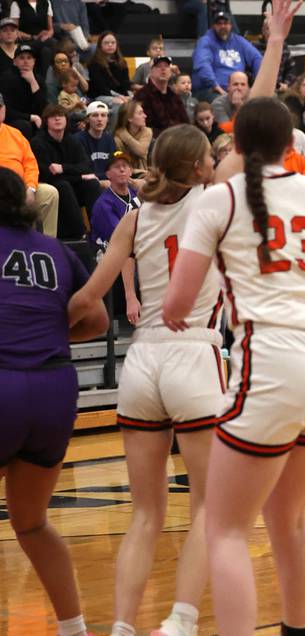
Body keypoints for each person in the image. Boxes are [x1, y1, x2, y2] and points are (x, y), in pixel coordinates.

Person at [163, 99, 305, 636]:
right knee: (287, 517)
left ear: (235, 146)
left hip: (272, 359)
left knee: (225, 527)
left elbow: (177, 303)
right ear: (293, 145)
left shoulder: (219, 200)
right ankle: (299, 630)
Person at [68, 124, 222, 636]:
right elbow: (250, 136)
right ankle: (180, 621)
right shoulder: (215, 203)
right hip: (194, 353)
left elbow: (88, 299)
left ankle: (121, 627)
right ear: (200, 167)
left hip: (141, 361)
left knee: (144, 515)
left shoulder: (133, 219)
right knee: (208, 504)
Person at [0, 165, 108, 636]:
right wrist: (44, 332)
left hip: (3, 383)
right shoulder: (58, 251)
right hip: (54, 391)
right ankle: (74, 629)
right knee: (31, 525)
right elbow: (99, 322)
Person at [31, 103, 100, 238]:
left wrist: (63, 168)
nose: (57, 119)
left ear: (66, 120)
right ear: (46, 121)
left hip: (69, 184)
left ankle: (98, 233)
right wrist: (79, 176)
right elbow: (47, 175)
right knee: (63, 185)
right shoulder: (37, 142)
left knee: (92, 183)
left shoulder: (72, 140)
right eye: (53, 116)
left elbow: (86, 166)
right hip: (50, 186)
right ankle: (81, 233)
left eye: (61, 116)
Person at [0, 92, 59, 235]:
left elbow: (30, 165)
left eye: (0, 107)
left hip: (22, 189)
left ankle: (45, 245)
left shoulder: (15, 134)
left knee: (50, 193)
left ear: (4, 109)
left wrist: (30, 188)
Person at [191, 11, 262, 102]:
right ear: (214, 26)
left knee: (264, 99)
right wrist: (216, 86)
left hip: (238, 89)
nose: (223, 26)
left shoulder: (239, 41)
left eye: (226, 23)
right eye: (219, 24)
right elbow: (203, 65)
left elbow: (257, 58)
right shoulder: (205, 41)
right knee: (224, 102)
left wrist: (258, 84)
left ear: (231, 25)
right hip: (212, 90)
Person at [88, 149, 139, 249]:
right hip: (108, 253)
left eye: (125, 166)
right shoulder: (103, 204)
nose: (122, 170)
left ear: (131, 171)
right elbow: (119, 236)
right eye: (117, 167)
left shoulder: (136, 195)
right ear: (108, 174)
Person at [134, 55, 190, 137]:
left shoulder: (174, 96)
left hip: (178, 139)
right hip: (156, 141)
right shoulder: (142, 95)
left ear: (170, 72)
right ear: (151, 71)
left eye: (166, 66)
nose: (163, 69)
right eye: (158, 66)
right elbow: (144, 127)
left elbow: (185, 122)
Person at [0, 43, 46, 139]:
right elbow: (7, 112)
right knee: (25, 125)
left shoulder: (38, 79)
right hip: (13, 121)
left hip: (34, 120)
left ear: (34, 61)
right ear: (14, 61)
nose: (26, 61)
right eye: (22, 58)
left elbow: (43, 109)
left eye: (29, 58)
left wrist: (33, 82)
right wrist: (31, 117)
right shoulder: (6, 79)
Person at [75, 101, 115, 188]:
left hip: (108, 180)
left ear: (107, 119)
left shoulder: (109, 139)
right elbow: (84, 170)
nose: (99, 119)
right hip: (89, 184)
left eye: (103, 115)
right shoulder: (78, 140)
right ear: (87, 119)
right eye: (95, 115)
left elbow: (113, 165)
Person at [86, 31, 131, 106]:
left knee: (134, 102)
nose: (110, 45)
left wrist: (126, 96)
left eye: (113, 43)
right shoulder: (94, 63)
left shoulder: (122, 62)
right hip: (100, 95)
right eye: (106, 43)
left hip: (120, 94)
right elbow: (100, 86)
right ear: (100, 45)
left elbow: (125, 83)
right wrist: (118, 96)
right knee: (120, 103)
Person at [113, 100, 152, 178]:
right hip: (124, 175)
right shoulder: (116, 140)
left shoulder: (146, 131)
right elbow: (121, 164)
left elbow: (141, 151)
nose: (145, 116)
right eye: (140, 113)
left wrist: (123, 134)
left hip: (144, 173)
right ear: (129, 118)